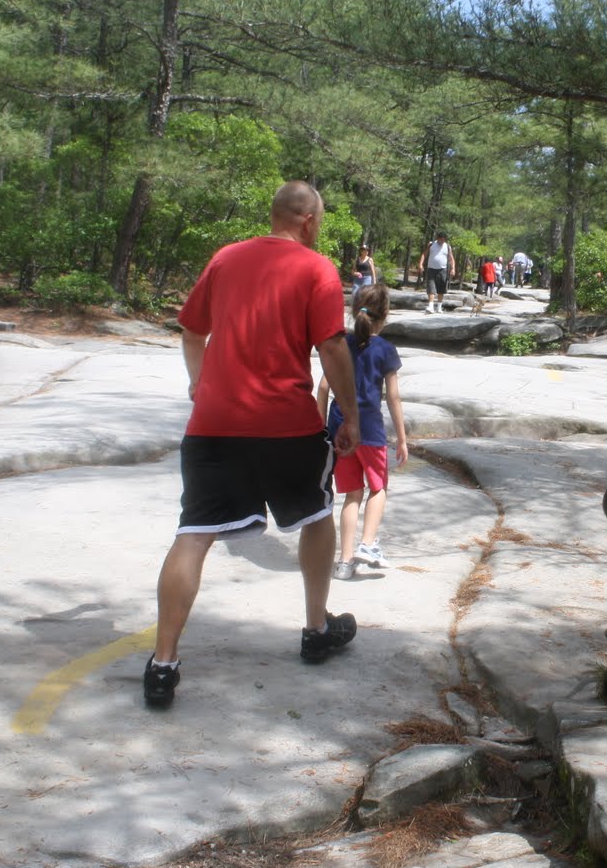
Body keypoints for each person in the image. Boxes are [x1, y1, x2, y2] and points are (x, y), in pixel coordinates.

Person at [145, 180, 362, 710]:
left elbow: (191, 332)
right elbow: (332, 346)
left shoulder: (226, 258)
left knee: (193, 534)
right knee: (317, 515)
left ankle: (163, 664)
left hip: (214, 424)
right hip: (286, 423)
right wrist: (352, 415)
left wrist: (199, 383)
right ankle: (316, 629)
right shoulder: (317, 268)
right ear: (309, 220)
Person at [317, 285, 408, 581]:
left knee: (351, 494)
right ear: (385, 314)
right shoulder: (386, 350)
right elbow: (393, 397)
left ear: (354, 310)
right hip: (369, 428)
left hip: (339, 429)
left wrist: (320, 428)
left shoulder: (341, 344)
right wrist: (402, 438)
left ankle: (344, 563)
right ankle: (367, 544)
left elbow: (323, 387)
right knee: (378, 487)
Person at [416, 232, 454, 314]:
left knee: (441, 289)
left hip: (443, 269)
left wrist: (453, 269)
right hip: (431, 269)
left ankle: (439, 307)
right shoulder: (431, 244)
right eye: (440, 239)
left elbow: (451, 259)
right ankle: (431, 306)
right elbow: (424, 254)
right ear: (437, 238)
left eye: (443, 240)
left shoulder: (447, 246)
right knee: (431, 287)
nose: (442, 241)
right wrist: (420, 264)